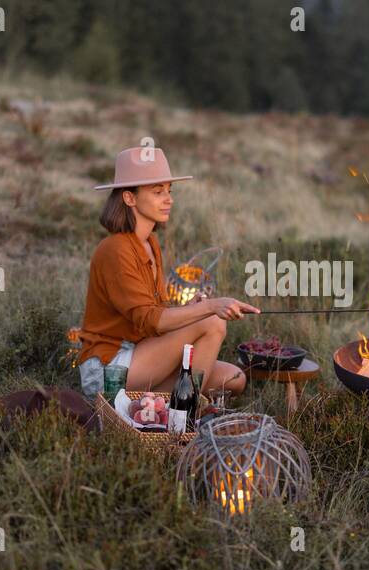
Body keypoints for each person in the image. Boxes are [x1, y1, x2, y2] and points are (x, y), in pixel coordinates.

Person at [77, 145, 259, 399]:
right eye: (157, 191)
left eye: (169, 191)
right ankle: (183, 415)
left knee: (234, 378)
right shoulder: (114, 249)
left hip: (144, 355)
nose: (169, 199)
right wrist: (209, 309)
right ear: (129, 198)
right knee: (213, 320)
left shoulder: (150, 243)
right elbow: (150, 319)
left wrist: (191, 309)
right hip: (109, 368)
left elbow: (156, 314)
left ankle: (162, 405)